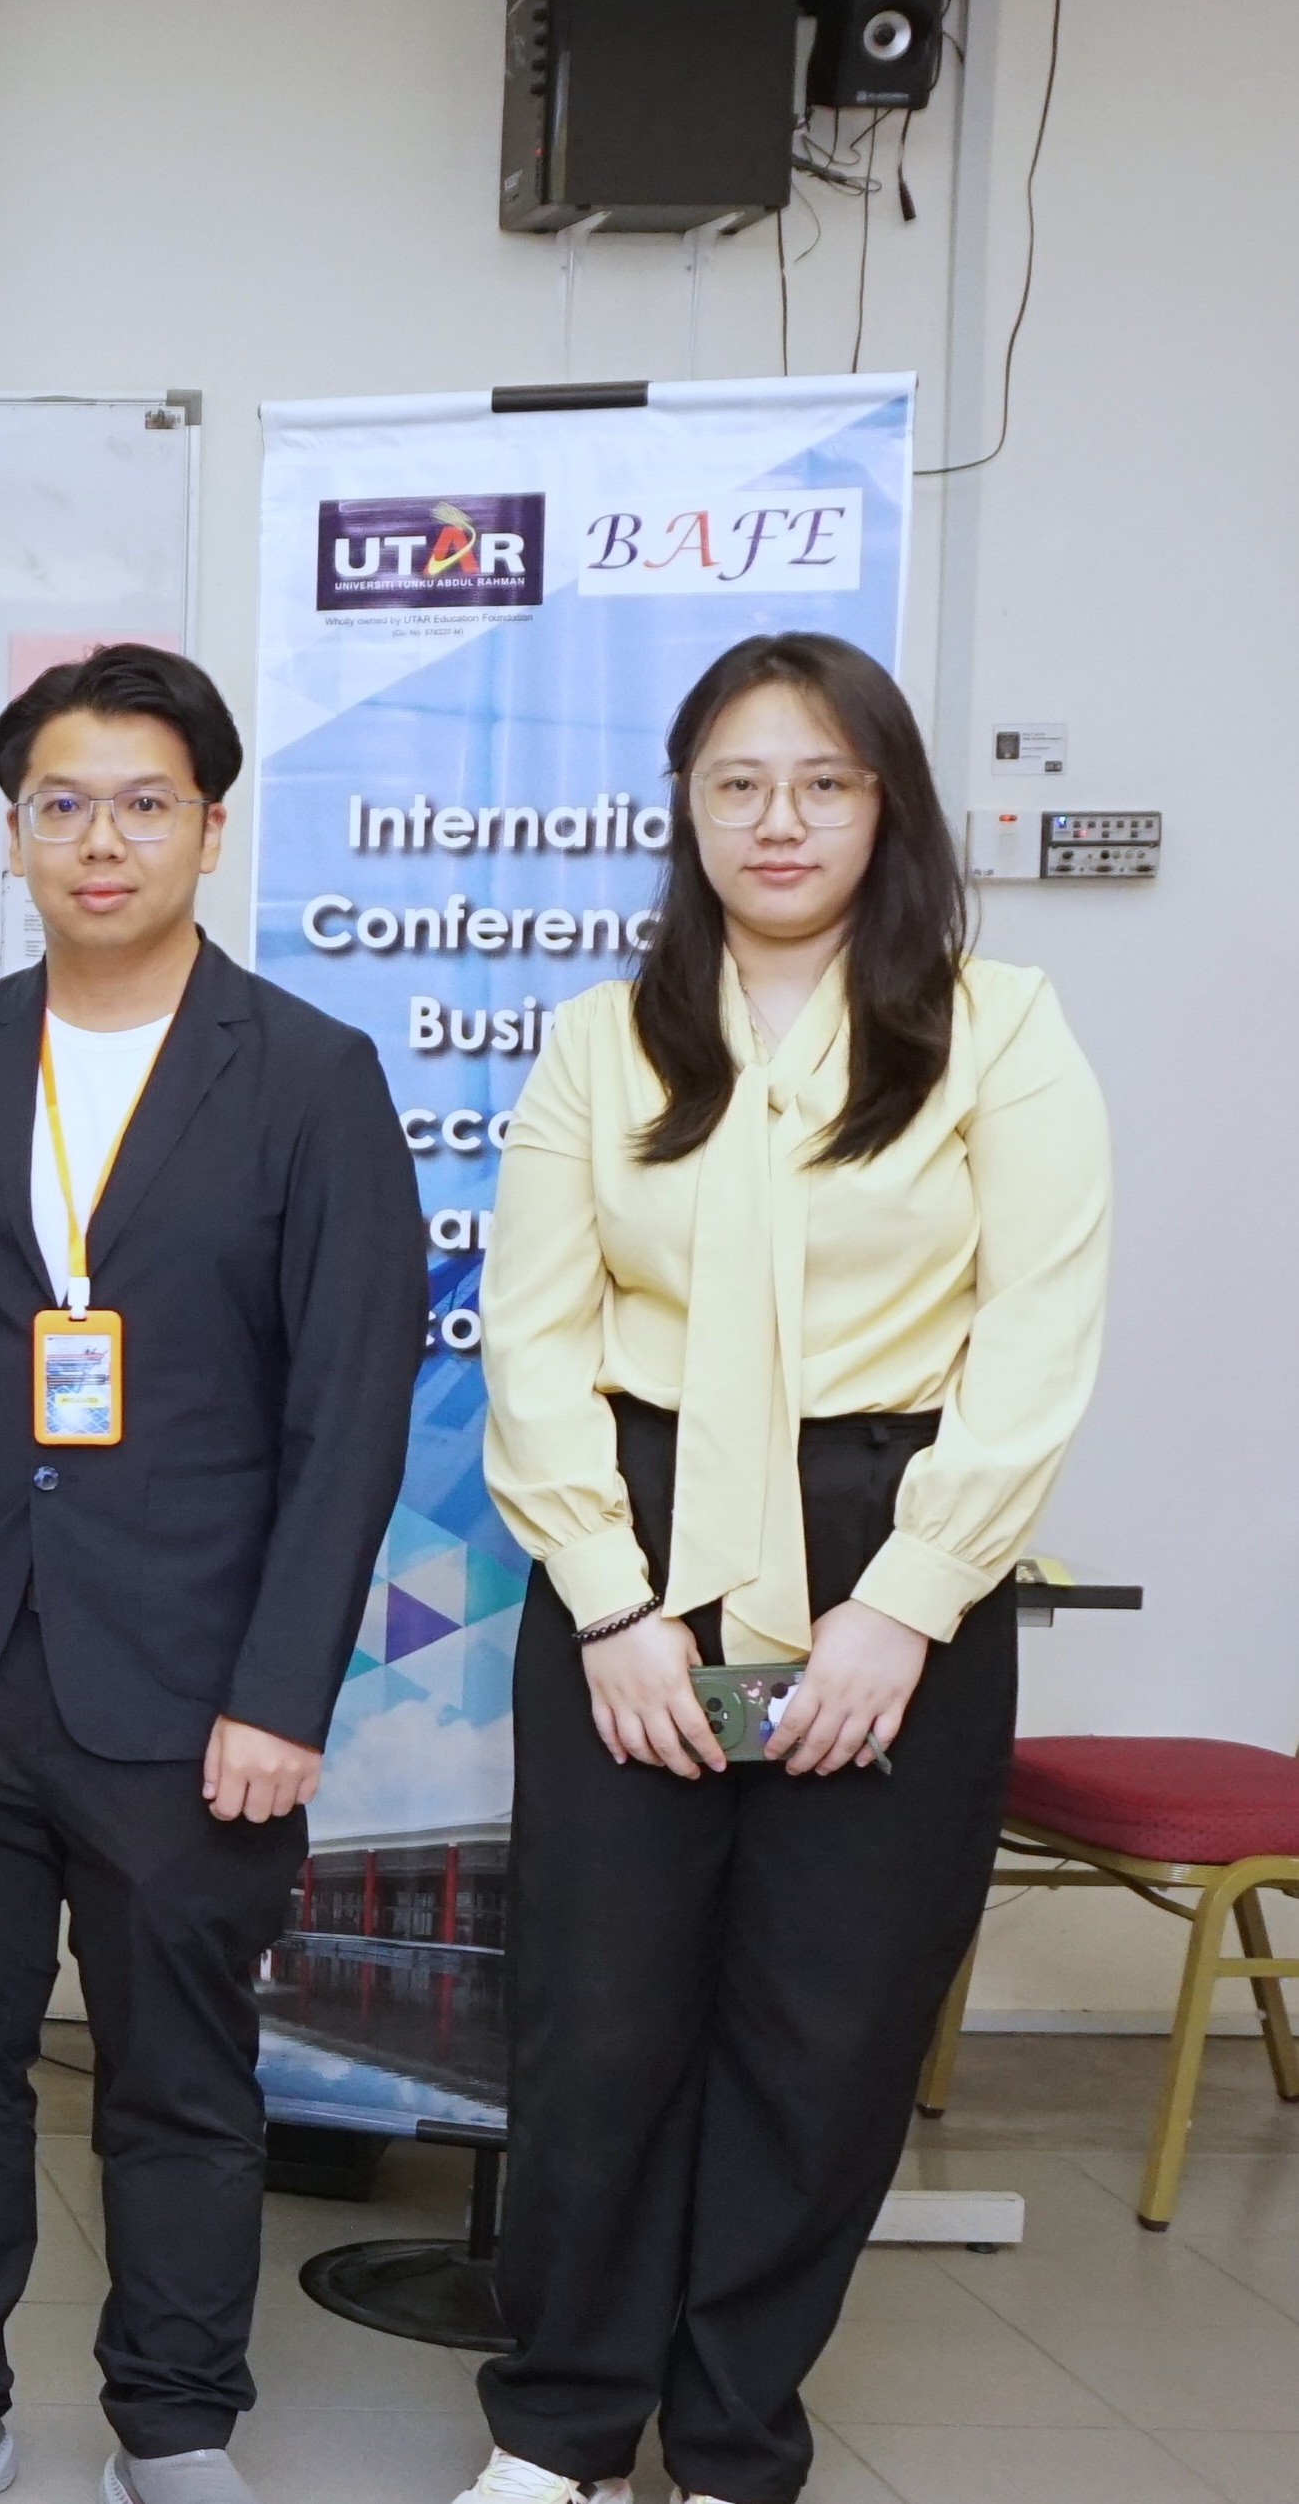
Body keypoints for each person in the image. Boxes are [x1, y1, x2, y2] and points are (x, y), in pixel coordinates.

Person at [446, 635, 1111, 2504]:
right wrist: (607, 1600)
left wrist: (908, 1601)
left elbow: (1036, 1338)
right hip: (636, 1543)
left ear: (887, 803)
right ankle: (563, 2428)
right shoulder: (604, 1041)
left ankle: (735, 2435)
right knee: (601, 2016)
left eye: (824, 780)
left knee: (826, 2028)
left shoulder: (1000, 1030)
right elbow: (533, 1339)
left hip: (893, 1542)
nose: (779, 819)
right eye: (737, 782)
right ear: (686, 808)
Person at [0, 643, 424, 2504]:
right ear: (12, 836)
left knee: (182, 2078)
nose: (101, 839)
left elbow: (350, 1415)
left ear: (211, 828)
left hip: (199, 1690)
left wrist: (284, 1693)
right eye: (61, 804)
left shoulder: (309, 1077)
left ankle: (175, 2421)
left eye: (145, 803)